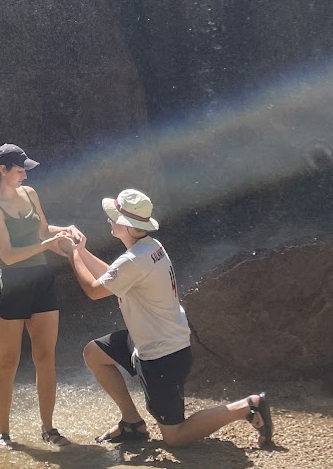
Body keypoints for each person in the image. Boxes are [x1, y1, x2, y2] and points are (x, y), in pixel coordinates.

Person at [64, 188, 274, 448]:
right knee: (94, 353)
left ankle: (248, 406)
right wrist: (82, 250)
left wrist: (73, 255)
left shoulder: (134, 259)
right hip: (151, 340)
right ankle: (132, 423)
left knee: (175, 437)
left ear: (127, 226)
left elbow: (94, 291)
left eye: (114, 216)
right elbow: (114, 277)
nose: (109, 219)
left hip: (163, 354)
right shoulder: (150, 247)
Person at [0, 143, 81, 449]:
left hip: (41, 280)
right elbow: (8, 255)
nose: (24, 175)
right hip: (10, 283)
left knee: (46, 357)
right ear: (3, 170)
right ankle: (3, 433)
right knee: (8, 361)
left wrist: (67, 231)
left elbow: (44, 230)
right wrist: (47, 245)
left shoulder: (31, 194)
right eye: (20, 170)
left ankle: (48, 429)